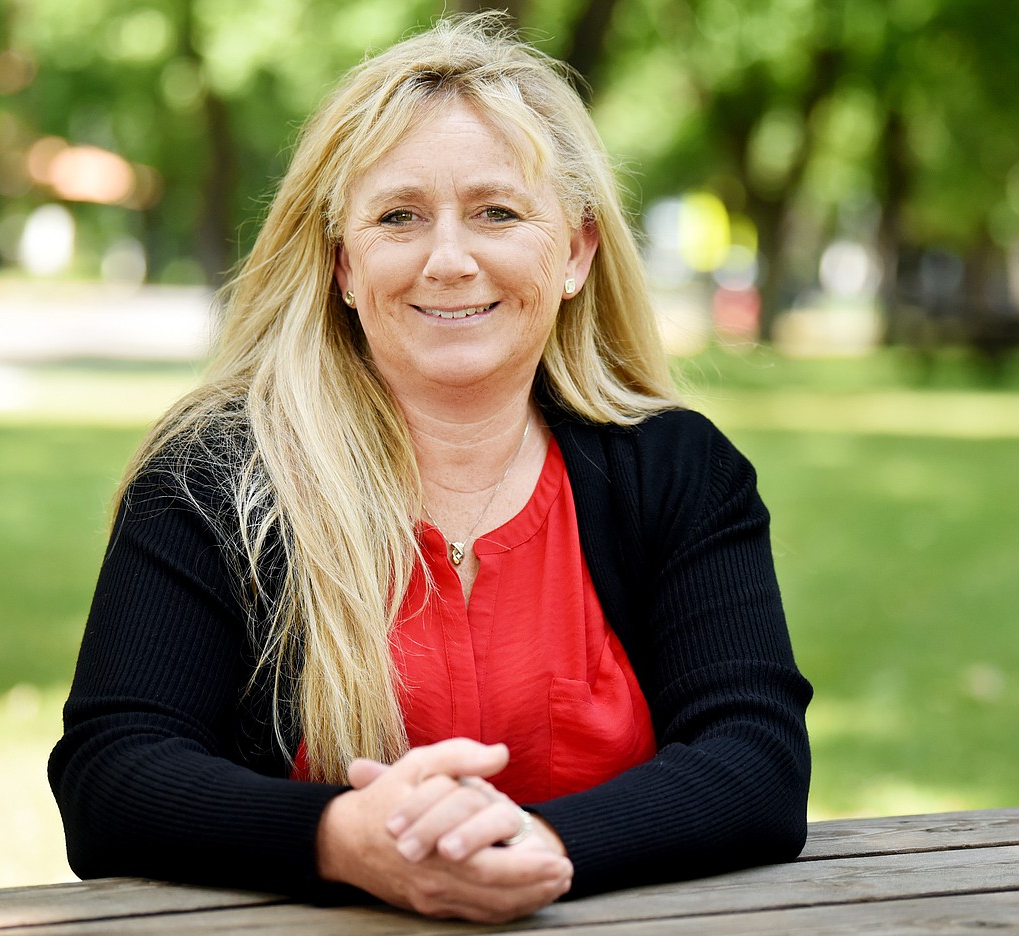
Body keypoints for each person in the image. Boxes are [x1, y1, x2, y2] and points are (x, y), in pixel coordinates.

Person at [48, 13, 812, 924]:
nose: (449, 261)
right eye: (399, 216)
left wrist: (544, 845)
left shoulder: (678, 471)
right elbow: (114, 772)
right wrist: (344, 841)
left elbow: (756, 755)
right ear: (341, 264)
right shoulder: (213, 480)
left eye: (497, 211)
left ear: (573, 252)